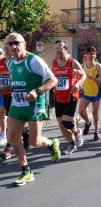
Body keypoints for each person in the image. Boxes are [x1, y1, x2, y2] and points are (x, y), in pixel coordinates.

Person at [0, 32, 60, 186]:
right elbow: (18, 84)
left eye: (16, 43)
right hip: (17, 105)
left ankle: (52, 144)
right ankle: (26, 171)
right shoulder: (11, 63)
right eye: (10, 44)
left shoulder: (34, 61)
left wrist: (37, 91)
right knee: (12, 136)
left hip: (35, 106)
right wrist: (5, 87)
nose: (13, 46)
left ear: (24, 44)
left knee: (35, 141)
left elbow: (53, 80)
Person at [52, 40, 86, 155]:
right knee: (61, 123)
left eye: (60, 48)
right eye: (56, 48)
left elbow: (83, 75)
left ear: (66, 50)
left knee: (66, 122)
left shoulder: (72, 62)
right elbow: (52, 77)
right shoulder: (54, 63)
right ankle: (71, 144)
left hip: (71, 96)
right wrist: (52, 86)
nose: (57, 50)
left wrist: (77, 84)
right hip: (58, 96)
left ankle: (77, 132)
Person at [79, 46, 101, 141]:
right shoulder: (83, 66)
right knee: (81, 111)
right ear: (87, 54)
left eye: (94, 54)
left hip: (95, 93)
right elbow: (80, 78)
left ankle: (96, 131)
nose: (92, 55)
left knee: (95, 113)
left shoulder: (98, 66)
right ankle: (88, 122)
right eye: (90, 53)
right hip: (85, 92)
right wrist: (80, 85)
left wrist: (93, 77)